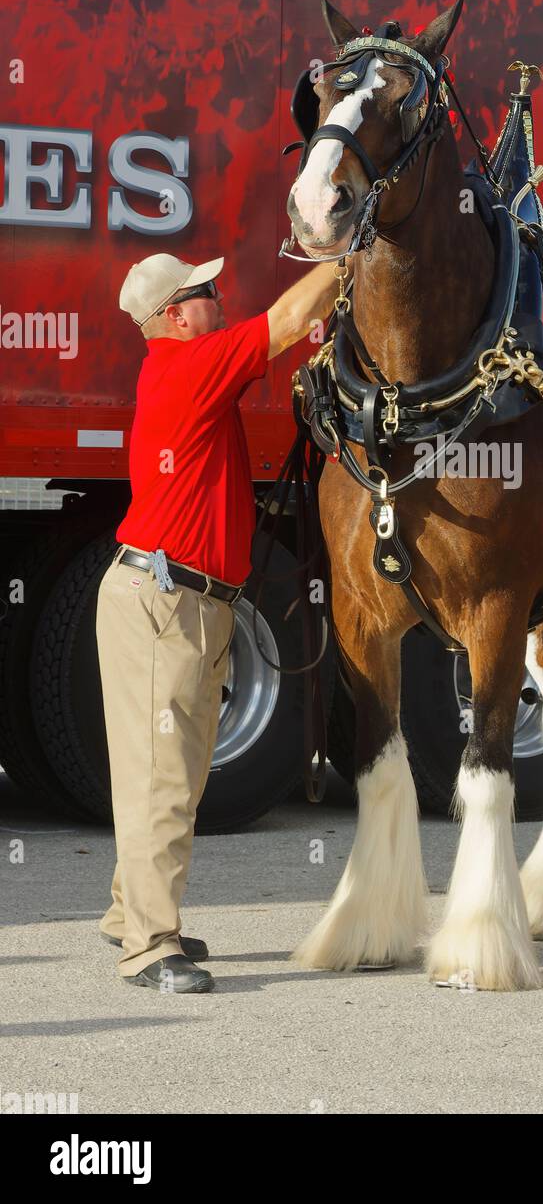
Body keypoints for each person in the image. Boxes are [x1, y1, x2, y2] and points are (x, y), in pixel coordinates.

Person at [97, 251, 338, 993]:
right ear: (176, 313)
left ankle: (128, 914)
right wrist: (352, 251)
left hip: (185, 601)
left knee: (175, 772)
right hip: (168, 604)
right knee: (163, 776)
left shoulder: (186, 370)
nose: (219, 298)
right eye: (206, 292)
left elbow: (290, 334)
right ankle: (147, 945)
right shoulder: (189, 365)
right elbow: (290, 317)